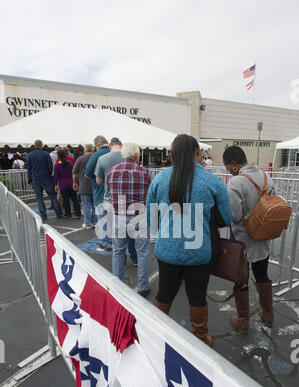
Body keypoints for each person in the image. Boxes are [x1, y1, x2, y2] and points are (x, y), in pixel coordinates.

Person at [146, 134, 233, 346]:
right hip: (200, 251)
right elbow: (226, 219)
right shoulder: (212, 181)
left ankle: (154, 336)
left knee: (164, 293)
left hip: (167, 249)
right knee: (197, 296)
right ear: (197, 152)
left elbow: (151, 217)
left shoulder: (160, 179)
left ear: (172, 154)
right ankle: (201, 338)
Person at [222, 145, 276, 330]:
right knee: (262, 276)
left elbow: (234, 215)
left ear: (234, 164)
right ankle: (268, 314)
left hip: (243, 242)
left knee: (241, 280)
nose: (228, 171)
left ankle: (243, 320)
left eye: (228, 167)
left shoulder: (236, 183)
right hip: (263, 239)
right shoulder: (267, 176)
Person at [107, 142, 151, 296]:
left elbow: (110, 191)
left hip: (119, 216)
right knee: (142, 252)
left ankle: (118, 286)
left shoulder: (112, 172)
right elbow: (149, 192)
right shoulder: (144, 172)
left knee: (118, 251)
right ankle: (143, 286)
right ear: (137, 155)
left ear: (123, 155)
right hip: (139, 216)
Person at [27, 139, 62, 222]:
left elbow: (29, 168)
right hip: (46, 177)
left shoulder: (30, 155)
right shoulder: (46, 154)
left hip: (35, 177)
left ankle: (43, 216)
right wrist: (49, 175)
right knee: (52, 195)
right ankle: (58, 213)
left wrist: (30, 179)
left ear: (35, 146)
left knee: (39, 198)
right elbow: (50, 166)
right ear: (41, 145)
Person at [72, 144, 98, 229]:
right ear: (93, 150)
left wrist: (75, 182)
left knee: (86, 205)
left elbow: (74, 173)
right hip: (95, 184)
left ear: (84, 150)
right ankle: (95, 222)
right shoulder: (96, 158)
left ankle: (87, 223)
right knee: (95, 205)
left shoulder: (80, 159)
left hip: (83, 184)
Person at [53, 149, 81, 219]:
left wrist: (55, 185)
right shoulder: (69, 163)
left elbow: (56, 177)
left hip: (63, 184)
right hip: (71, 182)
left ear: (58, 156)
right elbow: (73, 172)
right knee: (74, 199)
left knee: (65, 200)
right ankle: (78, 212)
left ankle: (68, 214)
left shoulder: (56, 165)